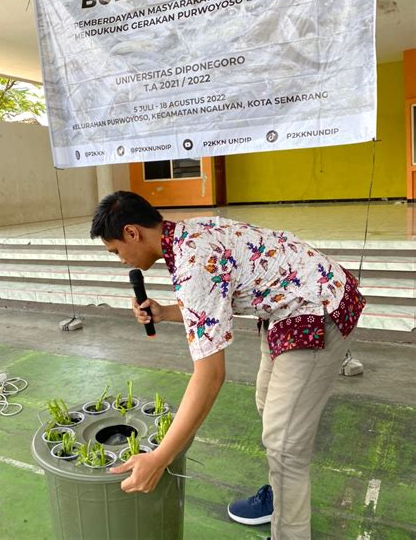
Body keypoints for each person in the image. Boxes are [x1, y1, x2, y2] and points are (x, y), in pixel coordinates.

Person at [90, 191, 365, 540]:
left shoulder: (191, 264)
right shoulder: (186, 233)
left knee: (284, 443)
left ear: (132, 232)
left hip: (316, 309)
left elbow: (210, 375)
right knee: (269, 406)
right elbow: (213, 300)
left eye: (116, 251)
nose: (120, 259)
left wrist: (159, 457)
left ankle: (290, 531)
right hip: (287, 308)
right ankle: (282, 498)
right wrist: (166, 312)